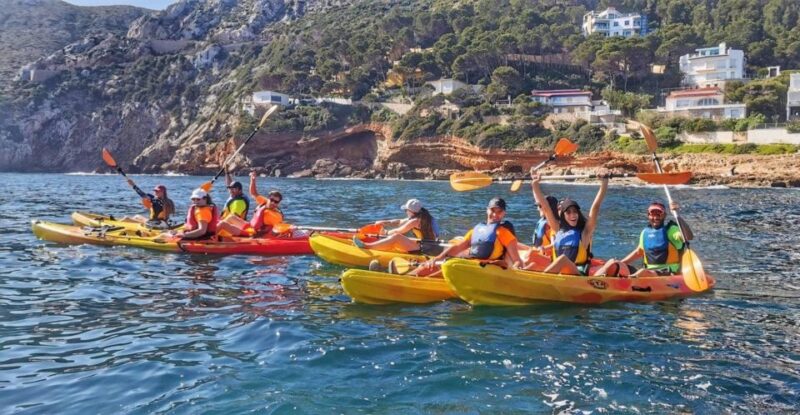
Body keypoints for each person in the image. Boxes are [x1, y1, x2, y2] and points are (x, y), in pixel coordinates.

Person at [412, 197, 522, 277]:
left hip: (489, 270)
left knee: (449, 268)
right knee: (426, 268)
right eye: (492, 210)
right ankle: (407, 278)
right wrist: (437, 258)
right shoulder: (476, 230)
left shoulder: (504, 232)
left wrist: (515, 272)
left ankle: (420, 281)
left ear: (504, 214)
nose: (495, 214)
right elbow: (458, 247)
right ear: (487, 210)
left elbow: (517, 260)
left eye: (499, 212)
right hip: (470, 266)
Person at [529, 168, 608, 275]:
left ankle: (540, 281)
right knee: (532, 263)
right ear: (563, 215)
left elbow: (595, 207)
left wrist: (604, 182)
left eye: (575, 211)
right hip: (559, 274)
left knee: (563, 259)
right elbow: (545, 207)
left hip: (577, 274)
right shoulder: (557, 229)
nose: (572, 215)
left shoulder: (585, 233)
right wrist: (535, 184)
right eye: (568, 212)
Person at [593, 201, 694, 278]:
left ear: (664, 215)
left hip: (667, 273)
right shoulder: (645, 232)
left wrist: (678, 216)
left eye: (658, 214)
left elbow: (688, 237)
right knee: (612, 263)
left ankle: (632, 281)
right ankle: (592, 281)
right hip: (648, 272)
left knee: (643, 272)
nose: (655, 217)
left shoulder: (672, 230)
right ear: (648, 216)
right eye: (652, 214)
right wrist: (621, 263)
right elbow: (639, 252)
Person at [353, 198, 443, 256]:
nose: (405, 212)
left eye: (406, 210)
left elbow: (399, 231)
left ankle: (367, 246)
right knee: (398, 237)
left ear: (411, 211)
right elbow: (399, 221)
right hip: (429, 246)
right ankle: (382, 244)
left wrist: (385, 232)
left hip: (426, 250)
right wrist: (384, 222)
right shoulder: (423, 216)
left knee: (396, 237)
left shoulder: (415, 221)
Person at [215, 172, 283, 237]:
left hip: (251, 233)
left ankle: (208, 237)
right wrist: (252, 179)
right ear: (268, 199)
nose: (273, 203)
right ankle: (217, 231)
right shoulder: (264, 202)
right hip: (249, 226)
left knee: (223, 224)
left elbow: (274, 229)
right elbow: (253, 193)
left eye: (276, 202)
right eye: (271, 200)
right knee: (231, 217)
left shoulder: (276, 216)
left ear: (279, 203)